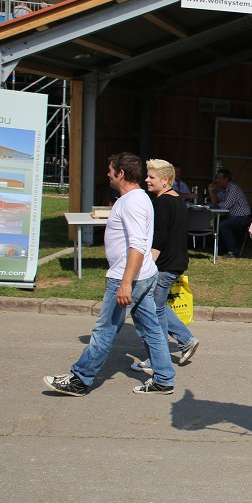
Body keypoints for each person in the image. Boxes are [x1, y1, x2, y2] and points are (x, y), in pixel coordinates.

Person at [44, 153, 174, 396]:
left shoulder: (132, 202)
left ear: (121, 174)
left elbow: (136, 245)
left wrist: (125, 283)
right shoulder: (135, 199)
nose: (108, 175)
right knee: (152, 329)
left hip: (129, 277)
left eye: (110, 171)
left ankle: (80, 379)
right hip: (142, 275)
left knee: (105, 330)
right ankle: (164, 379)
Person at [130, 159, 200, 375]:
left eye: (151, 177)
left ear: (166, 180)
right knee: (157, 307)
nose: (146, 180)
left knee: (151, 310)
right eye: (147, 176)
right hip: (175, 262)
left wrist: (146, 264)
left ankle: (156, 359)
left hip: (164, 265)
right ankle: (186, 340)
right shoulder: (177, 199)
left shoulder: (161, 202)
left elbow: (160, 236)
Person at [207, 167, 252, 258]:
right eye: (217, 178)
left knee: (224, 224)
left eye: (219, 178)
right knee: (217, 221)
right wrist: (211, 191)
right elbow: (215, 201)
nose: (217, 181)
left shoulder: (233, 189)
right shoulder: (223, 190)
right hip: (232, 217)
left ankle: (233, 252)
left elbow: (224, 206)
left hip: (243, 217)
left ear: (226, 179)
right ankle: (221, 248)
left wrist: (218, 203)